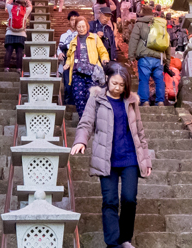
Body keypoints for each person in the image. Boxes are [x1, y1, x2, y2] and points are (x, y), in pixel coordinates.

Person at [71, 63, 151, 248]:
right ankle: (113, 244)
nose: (117, 88)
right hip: (106, 158)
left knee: (129, 199)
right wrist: (81, 141)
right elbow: (86, 122)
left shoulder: (131, 100)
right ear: (107, 79)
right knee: (110, 201)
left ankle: (125, 239)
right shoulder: (97, 98)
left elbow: (139, 131)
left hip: (130, 157)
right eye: (115, 83)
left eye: (122, 85)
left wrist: (146, 159)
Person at [64, 16, 110, 116]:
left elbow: (102, 51)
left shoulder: (94, 38)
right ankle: (84, 121)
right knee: (78, 97)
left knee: (92, 96)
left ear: (87, 26)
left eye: (83, 26)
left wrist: (104, 59)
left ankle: (92, 120)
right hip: (77, 72)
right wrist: (67, 63)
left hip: (92, 71)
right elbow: (69, 55)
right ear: (76, 27)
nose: (81, 29)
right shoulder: (73, 41)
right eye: (79, 27)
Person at [127, 5, 169, 106]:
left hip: (144, 57)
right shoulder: (159, 24)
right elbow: (167, 42)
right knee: (159, 79)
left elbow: (134, 40)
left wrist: (131, 56)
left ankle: (144, 101)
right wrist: (167, 60)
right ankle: (160, 102)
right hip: (159, 57)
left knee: (144, 79)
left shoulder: (139, 24)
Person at [4, 0, 32, 72]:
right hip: (21, 33)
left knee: (9, 50)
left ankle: (6, 67)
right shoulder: (25, 10)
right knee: (19, 52)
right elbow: (30, 6)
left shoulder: (10, 8)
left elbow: (7, 3)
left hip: (10, 32)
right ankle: (19, 68)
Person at [58, 9, 81, 105]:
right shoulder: (64, 36)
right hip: (67, 60)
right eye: (72, 19)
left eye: (76, 19)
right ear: (69, 21)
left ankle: (75, 100)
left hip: (78, 61)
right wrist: (59, 53)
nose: (74, 21)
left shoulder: (81, 34)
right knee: (67, 82)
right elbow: (59, 47)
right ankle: (68, 100)